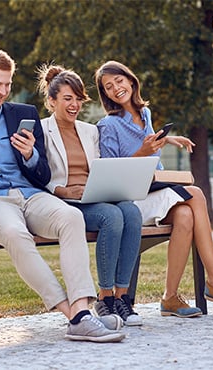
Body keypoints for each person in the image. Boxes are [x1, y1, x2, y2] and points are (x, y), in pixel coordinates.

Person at [0, 48, 124, 343]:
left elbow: (44, 174)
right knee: (16, 234)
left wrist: (31, 155)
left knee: (71, 217)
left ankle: (82, 310)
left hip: (31, 194)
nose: (3, 91)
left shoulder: (23, 114)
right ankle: (75, 316)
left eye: (7, 84)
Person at [94, 60, 213, 318]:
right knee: (197, 194)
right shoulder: (108, 125)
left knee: (185, 215)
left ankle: (169, 298)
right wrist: (143, 152)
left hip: (154, 191)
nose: (116, 88)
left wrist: (166, 139)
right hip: (131, 203)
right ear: (106, 95)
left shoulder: (144, 115)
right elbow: (111, 174)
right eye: (108, 87)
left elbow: (146, 146)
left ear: (131, 80)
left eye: (119, 81)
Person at [36, 64, 143, 326]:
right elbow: (37, 174)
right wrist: (61, 189)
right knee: (111, 216)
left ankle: (122, 297)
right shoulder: (41, 130)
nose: (74, 105)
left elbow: (101, 166)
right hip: (65, 202)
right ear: (52, 101)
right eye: (67, 99)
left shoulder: (90, 130)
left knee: (131, 212)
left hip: (95, 194)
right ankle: (104, 299)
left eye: (78, 99)